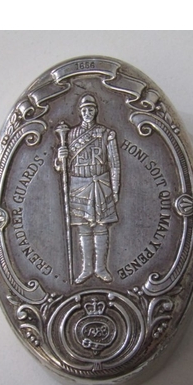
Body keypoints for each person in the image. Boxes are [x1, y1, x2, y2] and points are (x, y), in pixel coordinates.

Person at [55, 94, 121, 284]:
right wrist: (60, 157)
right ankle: (86, 269)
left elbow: (114, 163)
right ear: (80, 112)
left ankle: (100, 268)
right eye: (84, 110)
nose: (87, 113)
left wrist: (115, 188)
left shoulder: (107, 134)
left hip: (101, 183)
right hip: (78, 184)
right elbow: (61, 168)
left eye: (90, 109)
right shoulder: (70, 135)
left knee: (101, 226)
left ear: (96, 111)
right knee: (83, 227)